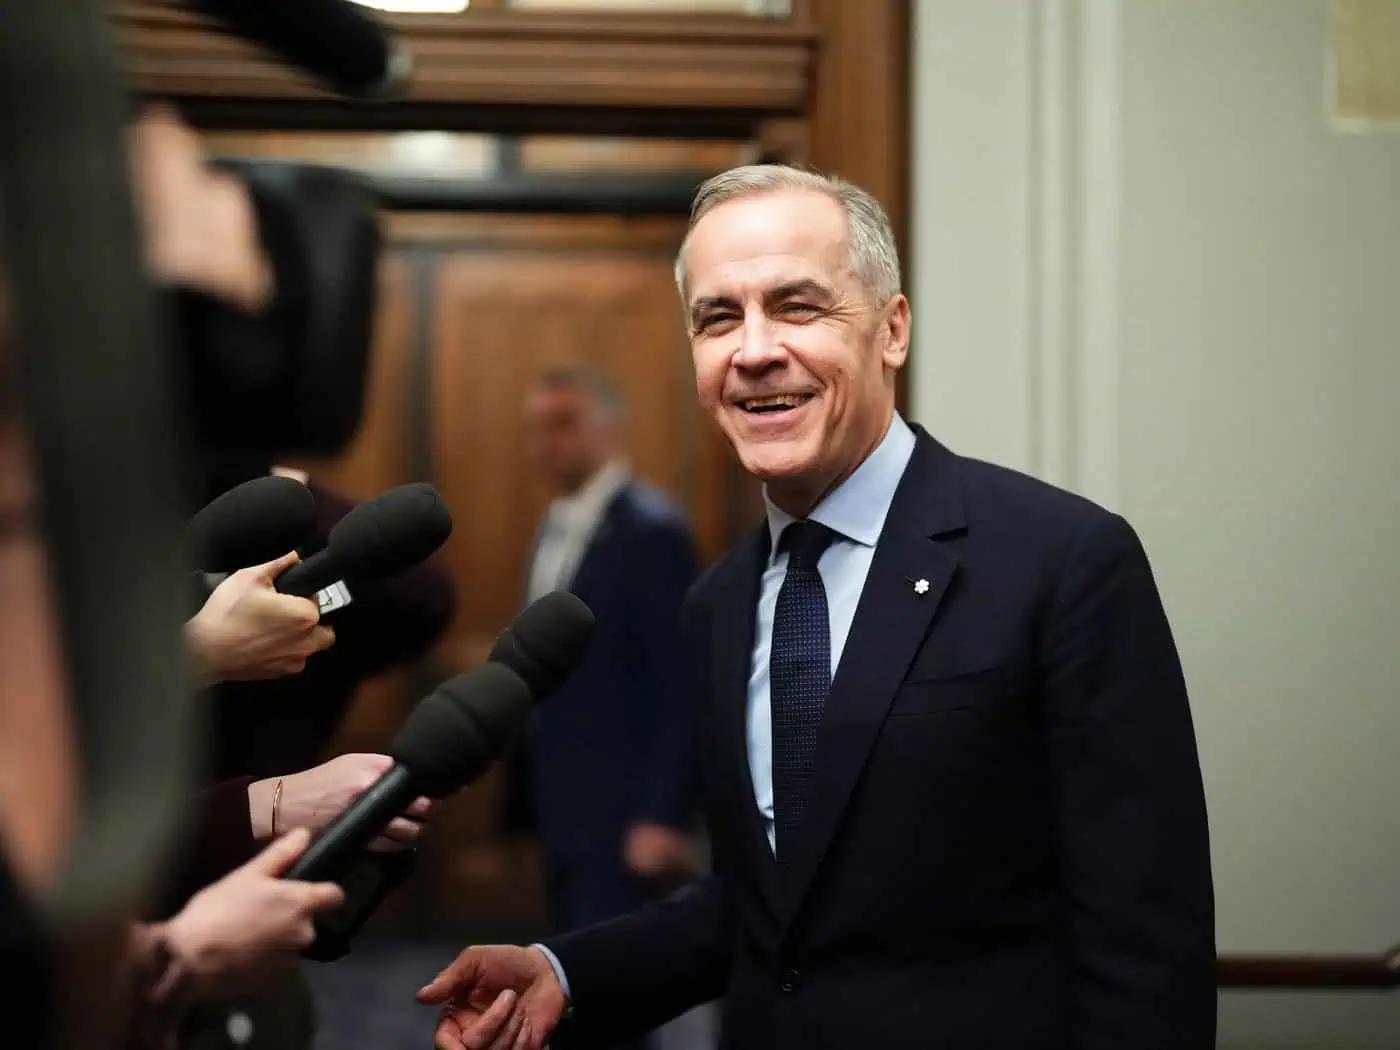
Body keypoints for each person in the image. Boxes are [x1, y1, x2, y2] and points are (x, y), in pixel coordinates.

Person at [419, 165, 1217, 1050]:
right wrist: (566, 974)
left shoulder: (1061, 563)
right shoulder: (717, 605)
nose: (753, 350)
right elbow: (766, 905)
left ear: (893, 330)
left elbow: (1146, 943)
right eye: (719, 317)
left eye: (797, 306)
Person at [515, 367, 699, 946]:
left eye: (565, 423)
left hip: (624, 810)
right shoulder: (552, 523)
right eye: (537, 427)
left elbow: (680, 681)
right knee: (563, 977)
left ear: (608, 426)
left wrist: (662, 814)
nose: (548, 441)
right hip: (559, 797)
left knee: (618, 994)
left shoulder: (653, 531)